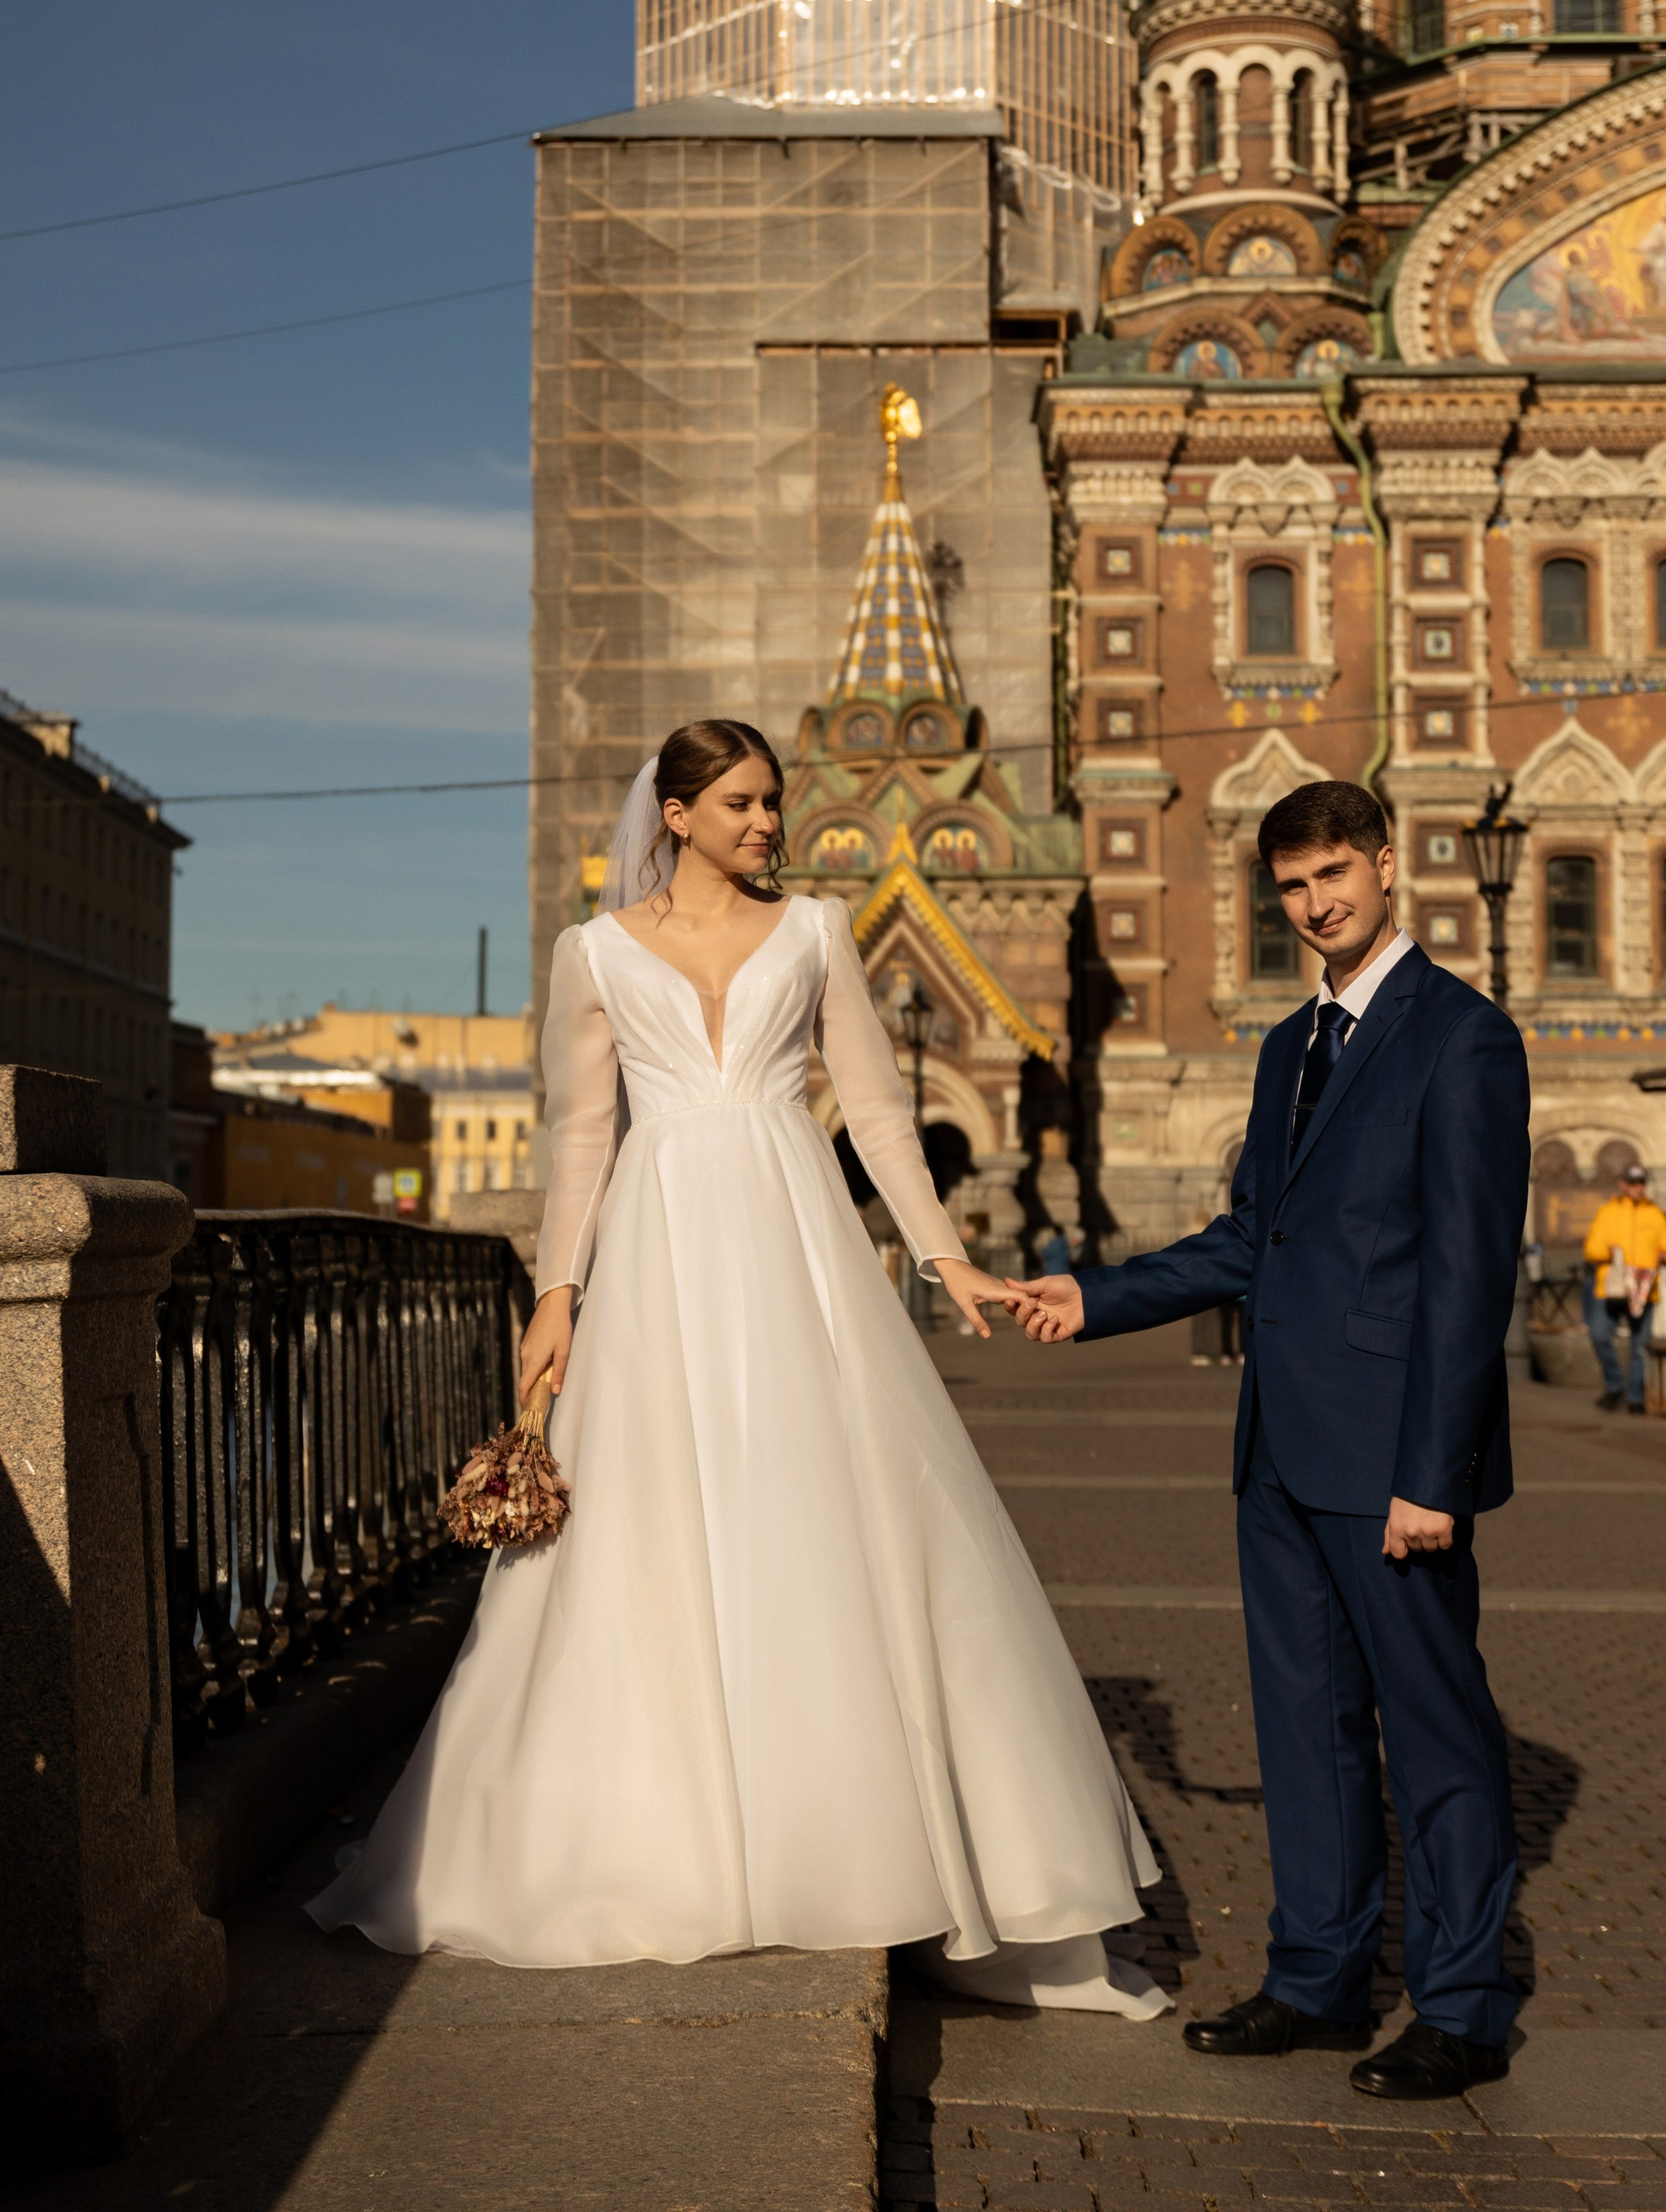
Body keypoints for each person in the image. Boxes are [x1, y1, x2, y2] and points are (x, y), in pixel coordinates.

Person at [310, 719, 1169, 2017]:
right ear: (677, 814)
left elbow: (877, 1116)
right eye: (744, 803)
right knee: (650, 1533)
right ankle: (663, 1845)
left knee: (828, 1519)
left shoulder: (819, 932)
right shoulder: (593, 954)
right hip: (658, 1255)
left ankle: (862, 1843)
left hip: (795, 1247)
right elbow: (585, 1137)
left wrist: (943, 1264)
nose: (769, 822)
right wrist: (557, 1296)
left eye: (774, 801)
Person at [1001, 781, 1530, 2102]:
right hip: (1281, 1451)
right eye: (1295, 887)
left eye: (1338, 874)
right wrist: (1097, 1294)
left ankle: (1462, 2006)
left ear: (1390, 865)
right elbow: (1254, 1238)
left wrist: (1434, 1476)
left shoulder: (1462, 1039)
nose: (1319, 904)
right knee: (1305, 1727)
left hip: (1392, 1464)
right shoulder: (1289, 1042)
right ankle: (1317, 1980)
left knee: (1439, 1732)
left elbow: (1468, 1278)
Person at [1580, 1164, 1666, 1413]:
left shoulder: (1656, 1215)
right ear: (1623, 1184)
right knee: (1599, 1336)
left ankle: (1635, 1398)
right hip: (1611, 1289)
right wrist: (1609, 1252)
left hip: (1644, 1291)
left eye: (1642, 1182)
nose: (1638, 1187)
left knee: (1641, 1345)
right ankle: (1615, 1386)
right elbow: (1591, 1249)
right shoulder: (1608, 1213)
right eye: (1633, 1183)